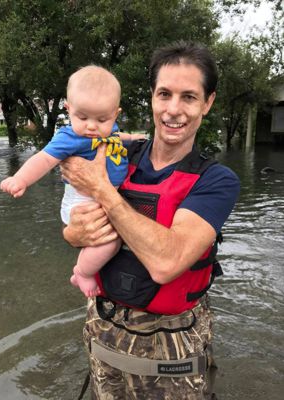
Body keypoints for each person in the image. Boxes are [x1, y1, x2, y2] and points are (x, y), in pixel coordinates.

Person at [60, 41, 240, 400]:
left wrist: (104, 191)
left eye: (189, 97)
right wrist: (72, 233)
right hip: (104, 329)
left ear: (207, 103)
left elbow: (166, 263)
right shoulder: (114, 154)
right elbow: (71, 217)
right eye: (164, 94)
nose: (174, 109)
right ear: (152, 99)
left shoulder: (217, 181)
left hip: (174, 347)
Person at [0, 65, 145, 297]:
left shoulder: (109, 130)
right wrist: (20, 179)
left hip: (105, 199)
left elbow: (118, 136)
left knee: (118, 237)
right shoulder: (69, 137)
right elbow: (43, 160)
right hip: (81, 203)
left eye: (101, 119)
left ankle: (93, 271)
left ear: (115, 115)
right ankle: (82, 273)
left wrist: (134, 138)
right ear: (68, 110)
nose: (91, 126)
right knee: (109, 242)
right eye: (82, 117)